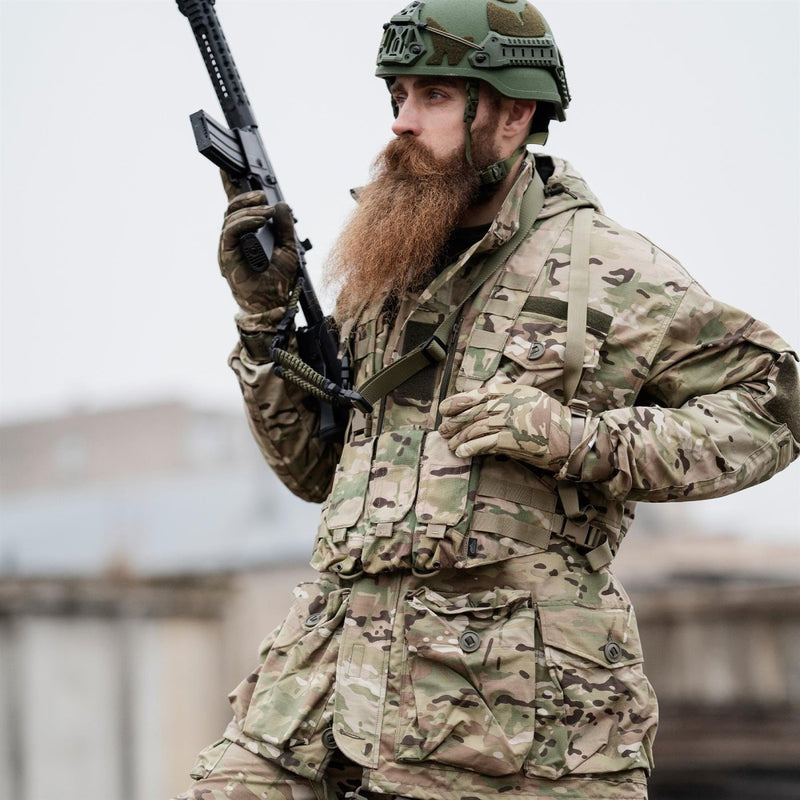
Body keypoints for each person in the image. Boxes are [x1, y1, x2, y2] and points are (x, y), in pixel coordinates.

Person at [174, 1, 800, 798]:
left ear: (511, 113)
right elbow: (316, 472)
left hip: (508, 725)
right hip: (324, 686)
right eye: (397, 96)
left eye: (433, 96)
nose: (401, 123)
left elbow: (774, 408)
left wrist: (575, 438)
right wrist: (264, 323)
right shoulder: (389, 263)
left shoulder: (603, 267)